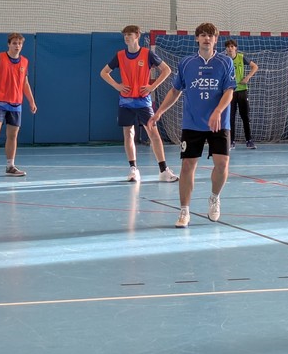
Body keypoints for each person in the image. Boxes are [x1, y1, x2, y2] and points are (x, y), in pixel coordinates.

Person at [148, 23, 236, 228]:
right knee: (188, 165)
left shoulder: (225, 62)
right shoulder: (186, 63)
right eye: (203, 35)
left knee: (222, 164)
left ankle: (214, 197)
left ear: (216, 40)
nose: (207, 38)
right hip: (192, 123)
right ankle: (184, 211)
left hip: (218, 122)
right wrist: (159, 112)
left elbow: (229, 91)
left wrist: (217, 111)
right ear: (197, 38)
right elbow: (175, 91)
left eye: (210, 36)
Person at [100, 25, 178, 183]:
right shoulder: (120, 55)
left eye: (129, 34)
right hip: (126, 102)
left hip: (143, 102)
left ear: (137, 36)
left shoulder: (147, 54)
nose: (126, 37)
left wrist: (152, 86)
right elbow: (104, 72)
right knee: (128, 134)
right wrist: (117, 86)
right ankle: (133, 169)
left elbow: (167, 70)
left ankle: (163, 170)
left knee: (154, 134)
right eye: (125, 35)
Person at [0, 33, 37, 178]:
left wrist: (31, 101)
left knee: (13, 135)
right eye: (14, 43)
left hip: (16, 103)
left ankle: (10, 166)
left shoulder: (25, 62)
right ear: (8, 44)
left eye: (19, 43)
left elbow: (25, 83)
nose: (17, 46)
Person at [225, 38, 259, 149]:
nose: (230, 48)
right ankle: (231, 141)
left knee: (245, 116)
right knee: (230, 117)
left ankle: (249, 140)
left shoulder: (241, 57)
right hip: (230, 91)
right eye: (228, 47)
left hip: (242, 91)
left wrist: (247, 77)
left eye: (232, 46)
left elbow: (255, 66)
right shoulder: (224, 60)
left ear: (235, 48)